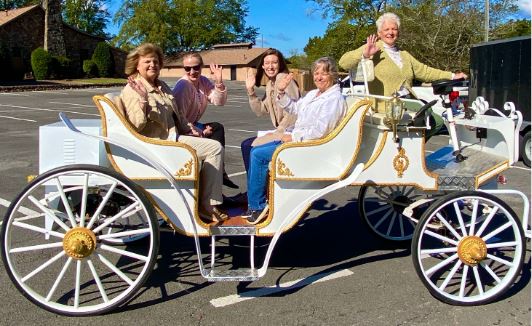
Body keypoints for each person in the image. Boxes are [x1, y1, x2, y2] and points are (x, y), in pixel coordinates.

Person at [120, 43, 227, 223]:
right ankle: (207, 205)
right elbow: (135, 127)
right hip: (157, 144)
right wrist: (144, 102)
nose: (152, 65)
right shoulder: (134, 89)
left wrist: (192, 129)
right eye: (147, 61)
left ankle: (209, 194)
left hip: (173, 136)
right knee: (214, 149)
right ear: (136, 65)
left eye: (155, 61)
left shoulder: (161, 86)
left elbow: (177, 115)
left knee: (214, 134)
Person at [243, 57, 347, 224]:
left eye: (324, 73)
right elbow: (295, 108)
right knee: (254, 150)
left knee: (258, 155)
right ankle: (256, 200)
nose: (318, 77)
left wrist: (293, 137)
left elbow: (320, 131)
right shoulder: (315, 94)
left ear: (332, 75)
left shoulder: (333, 100)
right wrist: (282, 93)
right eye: (316, 73)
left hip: (309, 146)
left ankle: (258, 206)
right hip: (298, 140)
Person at [339, 12, 467, 137]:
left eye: (394, 29)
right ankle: (409, 146)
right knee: (430, 115)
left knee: (436, 121)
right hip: (389, 104)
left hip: (407, 100)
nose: (390, 32)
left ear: (398, 32)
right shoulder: (373, 48)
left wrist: (452, 76)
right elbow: (344, 62)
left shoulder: (404, 54)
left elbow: (425, 71)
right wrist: (365, 55)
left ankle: (412, 147)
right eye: (386, 29)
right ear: (379, 33)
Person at [172, 52, 238, 189]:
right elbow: (178, 118)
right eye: (187, 68)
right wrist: (199, 132)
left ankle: (219, 172)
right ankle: (215, 179)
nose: (192, 72)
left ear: (201, 67)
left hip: (193, 125)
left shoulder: (203, 81)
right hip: (181, 129)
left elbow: (219, 101)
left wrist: (219, 82)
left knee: (217, 127)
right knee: (213, 135)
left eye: (196, 67)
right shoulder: (183, 86)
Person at [243, 48, 301, 173]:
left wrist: (277, 132)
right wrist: (250, 91)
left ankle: (257, 190)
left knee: (250, 146)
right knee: (246, 144)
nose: (270, 66)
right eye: (267, 63)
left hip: (292, 132)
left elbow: (294, 113)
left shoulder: (285, 81)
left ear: (280, 65)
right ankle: (256, 187)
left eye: (274, 62)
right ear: (263, 66)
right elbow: (261, 111)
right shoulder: (270, 84)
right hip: (281, 130)